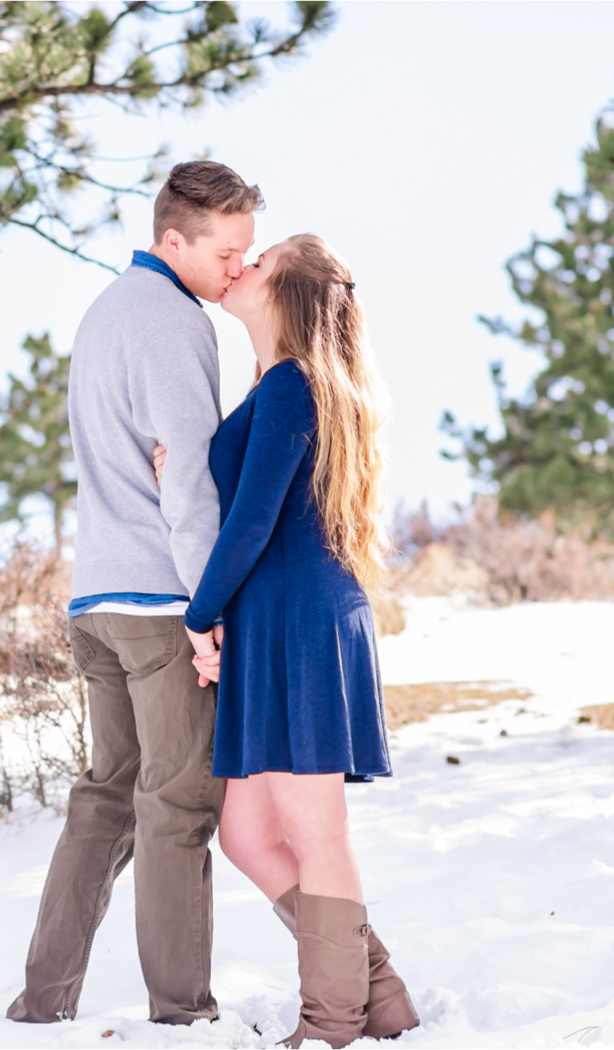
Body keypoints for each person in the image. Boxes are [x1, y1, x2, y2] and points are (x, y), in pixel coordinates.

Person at [6, 160, 259, 1026]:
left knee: (106, 796)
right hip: (160, 603)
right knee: (179, 806)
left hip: (97, 600)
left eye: (246, 252)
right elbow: (186, 481)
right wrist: (207, 607)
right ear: (173, 240)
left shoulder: (105, 310)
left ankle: (43, 1003)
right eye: (227, 251)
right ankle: (182, 1014)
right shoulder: (171, 322)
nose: (238, 269)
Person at [154, 234, 420, 1048]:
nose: (238, 268)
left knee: (314, 833)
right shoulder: (278, 387)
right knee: (246, 834)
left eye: (257, 262)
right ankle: (378, 992)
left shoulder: (293, 388)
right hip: (277, 622)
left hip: (301, 624)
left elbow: (251, 523)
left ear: (290, 295)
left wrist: (200, 615)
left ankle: (333, 1023)